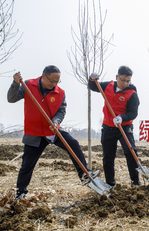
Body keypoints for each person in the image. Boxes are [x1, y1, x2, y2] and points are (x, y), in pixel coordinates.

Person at [7, 66, 100, 200]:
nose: (54, 84)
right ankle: (21, 192)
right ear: (43, 76)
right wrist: (15, 83)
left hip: (53, 130)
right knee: (27, 165)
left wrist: (56, 122)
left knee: (73, 143)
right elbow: (11, 98)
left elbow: (61, 111)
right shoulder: (28, 85)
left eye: (57, 81)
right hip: (34, 133)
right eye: (52, 81)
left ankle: (84, 174)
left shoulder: (60, 92)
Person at [89, 66, 140, 187]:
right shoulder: (108, 86)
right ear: (117, 77)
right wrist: (91, 79)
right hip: (108, 127)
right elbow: (93, 86)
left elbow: (133, 113)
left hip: (125, 127)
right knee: (108, 156)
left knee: (130, 152)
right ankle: (110, 183)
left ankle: (135, 182)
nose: (125, 83)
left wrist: (122, 117)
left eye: (128, 81)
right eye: (123, 80)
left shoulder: (132, 94)